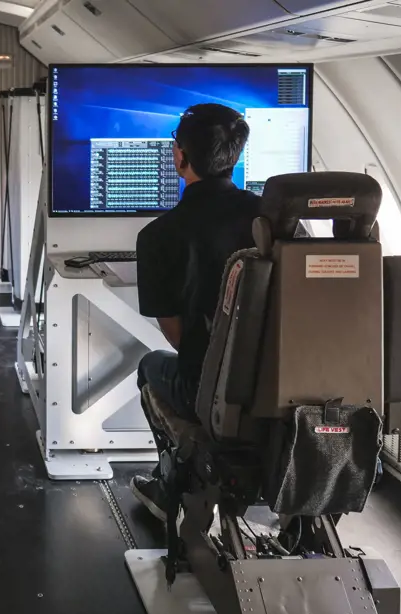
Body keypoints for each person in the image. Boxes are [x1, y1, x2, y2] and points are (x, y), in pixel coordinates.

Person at [130, 104, 259, 521]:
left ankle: (171, 491)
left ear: (179, 157)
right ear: (234, 157)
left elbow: (177, 336)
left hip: (214, 392)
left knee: (151, 366)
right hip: (289, 389)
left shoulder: (158, 237)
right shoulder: (276, 222)